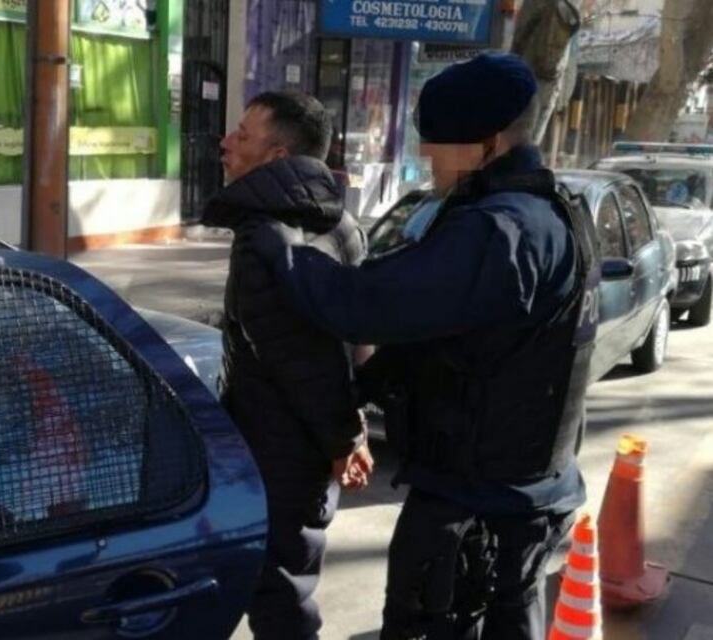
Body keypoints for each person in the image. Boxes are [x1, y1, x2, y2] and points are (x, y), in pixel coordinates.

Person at [249, 54, 601, 639]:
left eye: (438, 145)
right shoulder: (556, 212)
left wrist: (274, 242)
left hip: (475, 514)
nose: (428, 157)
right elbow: (453, 337)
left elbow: (361, 303)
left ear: (486, 144)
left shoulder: (500, 232)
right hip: (524, 500)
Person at [203, 90, 374, 639]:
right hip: (301, 449)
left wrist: (345, 437)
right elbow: (361, 342)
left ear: (277, 157)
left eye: (243, 135)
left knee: (279, 591)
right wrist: (355, 427)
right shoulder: (342, 225)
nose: (226, 142)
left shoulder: (265, 236)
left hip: (278, 450)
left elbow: (304, 362)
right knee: (281, 579)